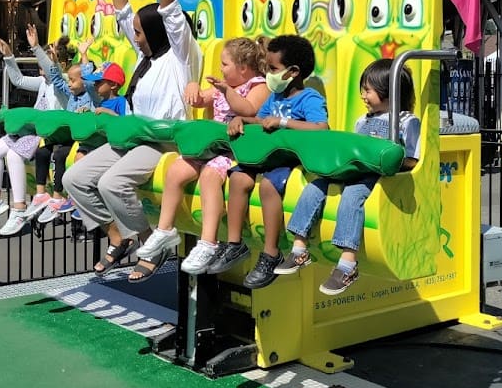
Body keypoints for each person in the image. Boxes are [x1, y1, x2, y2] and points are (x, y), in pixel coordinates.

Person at [62, 0, 202, 273]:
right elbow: (123, 9)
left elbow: (169, 10)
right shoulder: (147, 56)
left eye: (140, 32)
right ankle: (117, 235)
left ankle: (149, 244)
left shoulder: (181, 55)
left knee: (111, 183)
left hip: (161, 142)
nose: (135, 37)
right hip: (133, 137)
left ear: (157, 31)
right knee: (74, 179)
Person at [267, 60, 421, 295]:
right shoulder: (363, 120)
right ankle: (299, 248)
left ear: (388, 91)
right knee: (315, 186)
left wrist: (388, 159)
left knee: (352, 194)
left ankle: (348, 264)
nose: (363, 96)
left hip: (376, 176)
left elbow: (413, 159)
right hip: (353, 170)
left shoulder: (406, 122)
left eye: (368, 90)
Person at [129, 36, 269, 281]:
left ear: (243, 68)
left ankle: (208, 242)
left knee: (209, 175)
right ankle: (164, 230)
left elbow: (248, 109)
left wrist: (226, 91)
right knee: (176, 170)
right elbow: (200, 99)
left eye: (225, 65)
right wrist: (193, 88)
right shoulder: (222, 86)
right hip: (210, 146)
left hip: (234, 150)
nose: (221, 69)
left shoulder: (258, 86)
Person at [205, 34, 329, 287]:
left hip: (289, 160)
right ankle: (234, 244)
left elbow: (321, 128)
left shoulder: (310, 99)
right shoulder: (274, 97)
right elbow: (260, 119)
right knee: (238, 178)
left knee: (268, 187)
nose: (269, 74)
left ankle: (271, 253)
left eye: (273, 69)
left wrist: (284, 122)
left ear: (293, 72)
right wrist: (241, 119)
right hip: (266, 156)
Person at [0, 33, 59, 236]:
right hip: (31, 130)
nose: (41, 71)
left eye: (43, 66)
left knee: (13, 155)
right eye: (39, 67)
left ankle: (19, 208)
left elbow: (53, 73)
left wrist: (37, 48)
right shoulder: (43, 83)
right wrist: (9, 56)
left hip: (45, 132)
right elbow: (18, 80)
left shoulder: (60, 84)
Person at [37, 48, 128, 225]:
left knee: (68, 157)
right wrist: (54, 63)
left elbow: (123, 122)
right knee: (69, 157)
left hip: (103, 144)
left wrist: (85, 55)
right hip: (87, 141)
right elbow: (58, 80)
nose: (94, 85)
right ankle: (73, 198)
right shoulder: (92, 99)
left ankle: (79, 200)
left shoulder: (113, 101)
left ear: (113, 85)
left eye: (98, 82)